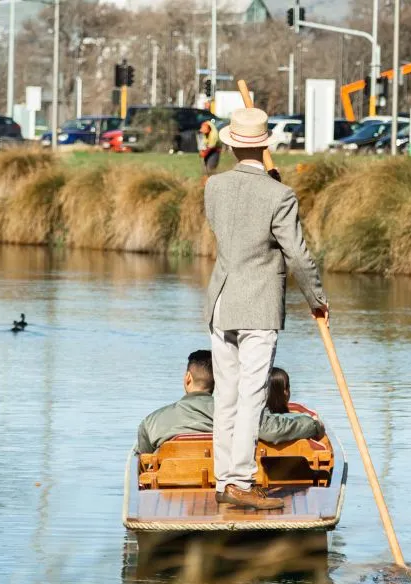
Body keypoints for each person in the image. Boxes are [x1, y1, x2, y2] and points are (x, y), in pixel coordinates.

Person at [205, 107, 329, 510]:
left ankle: (226, 479)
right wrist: (317, 299)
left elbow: (233, 229)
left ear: (230, 145)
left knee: (226, 395)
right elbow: (297, 254)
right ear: (266, 144)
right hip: (257, 305)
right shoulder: (280, 196)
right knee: (251, 395)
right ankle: (239, 481)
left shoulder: (214, 186)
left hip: (221, 301)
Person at [136, 351, 323, 455]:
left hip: (172, 494)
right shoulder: (238, 411)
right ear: (218, 381)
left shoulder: (150, 422)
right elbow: (272, 430)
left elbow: (142, 463)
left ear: (187, 378)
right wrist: (313, 424)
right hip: (225, 486)